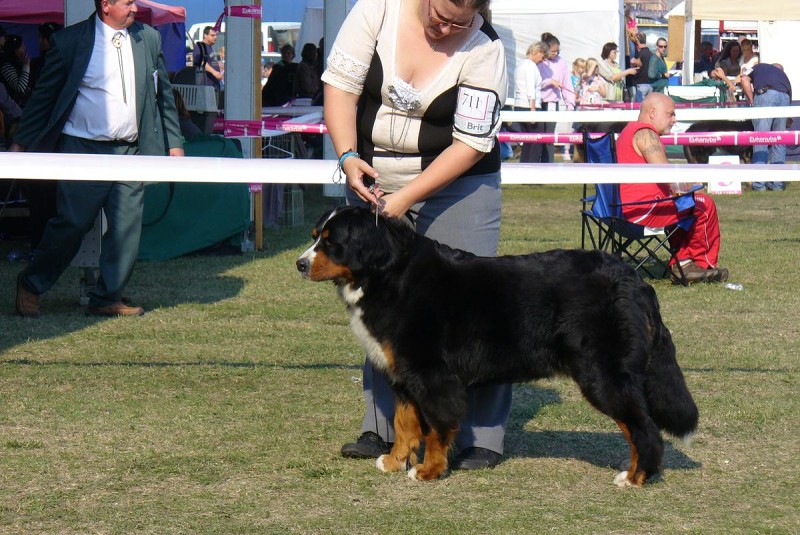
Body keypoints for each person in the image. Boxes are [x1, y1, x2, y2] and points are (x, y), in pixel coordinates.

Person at [322, 0, 511, 470]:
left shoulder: (486, 48)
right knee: (384, 306)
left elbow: (469, 144)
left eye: (458, 22)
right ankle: (383, 429)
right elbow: (340, 90)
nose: (443, 26)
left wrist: (404, 201)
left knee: (472, 307)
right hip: (374, 176)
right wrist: (347, 158)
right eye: (438, 13)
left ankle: (481, 437)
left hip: (458, 185)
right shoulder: (376, 10)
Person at [11, 0, 185, 318]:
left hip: (132, 151)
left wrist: (174, 143)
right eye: (127, 2)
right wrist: (20, 144)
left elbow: (164, 94)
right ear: (105, 5)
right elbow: (43, 99)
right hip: (82, 151)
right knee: (72, 225)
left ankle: (107, 297)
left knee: (126, 229)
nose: (134, 7)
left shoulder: (149, 38)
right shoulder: (68, 42)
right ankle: (32, 283)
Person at [616, 93, 728, 283]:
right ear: (652, 112)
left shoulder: (627, 131)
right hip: (642, 211)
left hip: (619, 211)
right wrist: (695, 188)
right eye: (670, 114)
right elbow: (668, 176)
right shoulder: (646, 133)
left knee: (684, 204)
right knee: (703, 204)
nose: (674, 120)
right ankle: (700, 265)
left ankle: (683, 262)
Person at [741, 62, 792, 192]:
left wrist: (752, 100)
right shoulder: (784, 78)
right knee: (779, 141)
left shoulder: (759, 67)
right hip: (784, 97)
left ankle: (759, 184)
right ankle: (777, 184)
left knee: (760, 139)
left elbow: (744, 79)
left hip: (765, 95)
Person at [534, 32, 574, 163]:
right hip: (537, 103)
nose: (555, 54)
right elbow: (534, 83)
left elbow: (567, 83)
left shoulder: (561, 63)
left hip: (552, 103)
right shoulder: (538, 62)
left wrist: (570, 104)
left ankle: (548, 164)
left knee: (549, 137)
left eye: (557, 51)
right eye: (553, 51)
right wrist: (550, 81)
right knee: (536, 137)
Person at [513, 41, 547, 162]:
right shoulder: (530, 66)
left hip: (520, 105)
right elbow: (530, 88)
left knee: (527, 141)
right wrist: (533, 110)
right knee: (536, 141)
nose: (542, 60)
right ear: (537, 52)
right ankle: (532, 169)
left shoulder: (521, 65)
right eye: (542, 56)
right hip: (529, 106)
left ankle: (524, 167)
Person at [0, 34, 32, 106]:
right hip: (12, 110)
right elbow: (20, 88)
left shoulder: (18, 64)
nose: (24, 48)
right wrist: (26, 66)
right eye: (21, 46)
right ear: (15, 50)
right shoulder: (6, 66)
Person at [192, 26, 223, 90]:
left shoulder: (210, 47)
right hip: (205, 86)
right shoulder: (200, 46)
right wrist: (214, 72)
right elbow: (201, 61)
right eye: (212, 35)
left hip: (214, 85)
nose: (215, 37)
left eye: (216, 35)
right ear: (205, 35)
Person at [630, 33, 653, 102]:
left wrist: (633, 63)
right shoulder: (651, 53)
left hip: (641, 84)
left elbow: (638, 66)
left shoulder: (640, 54)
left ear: (637, 40)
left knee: (640, 107)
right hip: (650, 84)